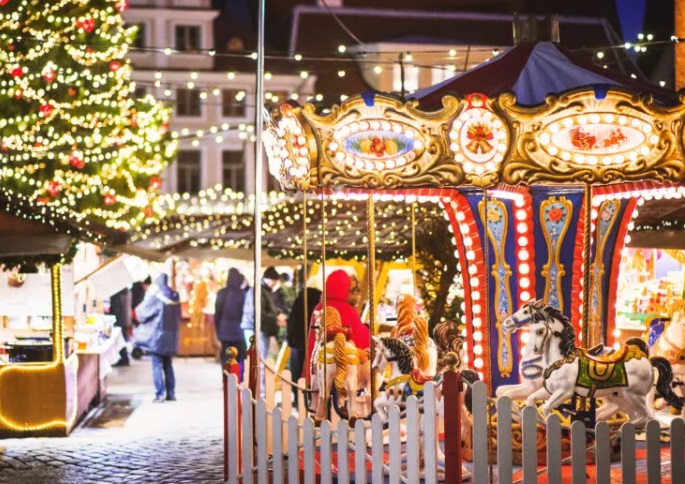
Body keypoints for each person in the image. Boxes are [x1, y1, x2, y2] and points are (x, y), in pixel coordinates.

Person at [304, 270, 370, 383]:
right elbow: (360, 337)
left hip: (317, 363)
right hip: (342, 366)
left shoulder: (319, 307)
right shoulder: (348, 309)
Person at [134, 273, 182, 403]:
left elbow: (142, 313)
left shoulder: (156, 297)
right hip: (171, 336)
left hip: (157, 336)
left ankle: (160, 394)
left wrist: (146, 299)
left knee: (157, 365)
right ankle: (171, 394)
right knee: (168, 365)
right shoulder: (175, 297)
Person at [286, 273, 323, 403]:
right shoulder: (319, 299)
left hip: (296, 339)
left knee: (296, 371)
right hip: (309, 339)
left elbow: (291, 319)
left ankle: (297, 399)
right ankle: (308, 398)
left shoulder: (300, 297)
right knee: (309, 370)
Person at [241, 266, 286, 362]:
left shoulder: (264, 290)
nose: (275, 284)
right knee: (259, 361)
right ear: (269, 279)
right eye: (275, 281)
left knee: (259, 360)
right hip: (256, 329)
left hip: (258, 328)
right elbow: (258, 313)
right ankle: (260, 378)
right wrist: (276, 318)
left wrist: (277, 313)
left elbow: (266, 308)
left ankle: (260, 377)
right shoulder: (259, 291)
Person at [215, 268, 247, 370]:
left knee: (226, 360)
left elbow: (217, 315)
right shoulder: (242, 294)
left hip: (224, 332)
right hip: (239, 332)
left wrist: (218, 332)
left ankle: (226, 383)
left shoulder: (222, 293)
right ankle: (237, 382)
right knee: (239, 360)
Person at [109, 287, 132, 366]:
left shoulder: (117, 293)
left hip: (119, 319)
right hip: (126, 319)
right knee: (123, 338)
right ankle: (125, 358)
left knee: (120, 339)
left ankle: (124, 358)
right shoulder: (128, 291)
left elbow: (115, 307)